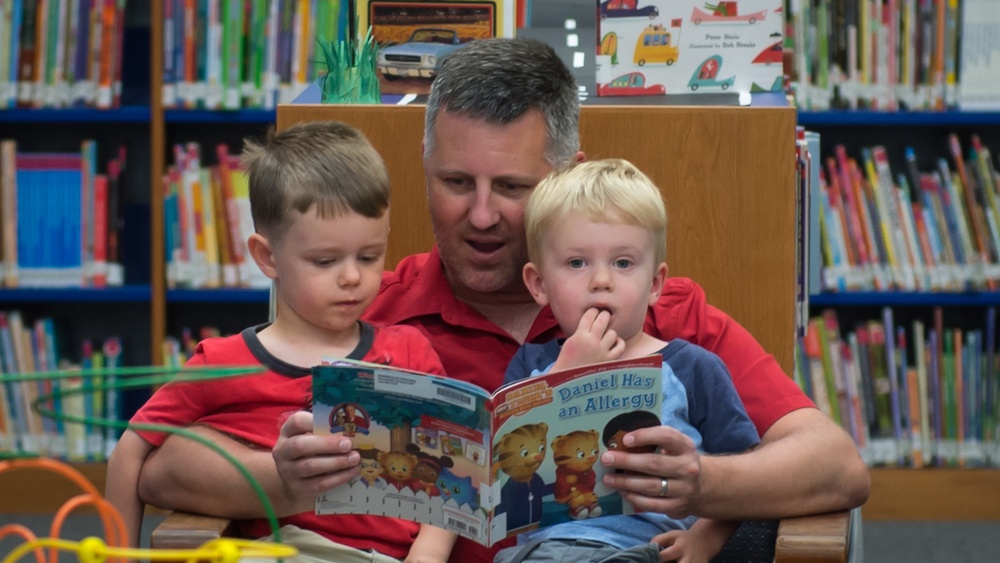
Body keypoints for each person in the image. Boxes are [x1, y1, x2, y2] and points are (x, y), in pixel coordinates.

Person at [137, 38, 870, 563]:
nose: (481, 215)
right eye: (457, 183)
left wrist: (704, 482)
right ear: (424, 170)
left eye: (512, 189)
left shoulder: (660, 312)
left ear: (565, 178)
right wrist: (286, 477)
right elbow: (165, 468)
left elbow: (837, 465)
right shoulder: (359, 312)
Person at [106, 121, 457, 563]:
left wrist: (427, 553)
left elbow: (449, 476)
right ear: (267, 257)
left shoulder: (410, 350)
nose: (352, 276)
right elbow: (130, 452)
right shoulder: (223, 362)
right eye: (325, 260)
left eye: (369, 257)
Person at [495, 158, 759, 563]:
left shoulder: (694, 369)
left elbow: (744, 478)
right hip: (540, 552)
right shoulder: (529, 365)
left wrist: (705, 539)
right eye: (576, 263)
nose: (602, 280)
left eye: (623, 263)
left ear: (654, 283)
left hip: (643, 551)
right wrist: (567, 374)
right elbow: (504, 469)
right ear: (539, 284)